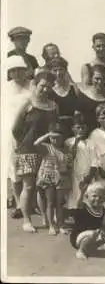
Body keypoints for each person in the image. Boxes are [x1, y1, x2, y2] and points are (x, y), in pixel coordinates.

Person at [12, 70, 58, 232]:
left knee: (44, 186)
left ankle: (47, 219)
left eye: (49, 87)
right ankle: (26, 220)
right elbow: (15, 128)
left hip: (46, 151)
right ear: (36, 84)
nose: (45, 89)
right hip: (27, 150)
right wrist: (25, 144)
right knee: (29, 186)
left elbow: (54, 129)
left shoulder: (53, 106)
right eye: (42, 86)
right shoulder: (28, 102)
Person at [4, 55, 32, 219]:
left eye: (20, 69)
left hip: (28, 129)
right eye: (13, 70)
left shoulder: (32, 85)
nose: (17, 73)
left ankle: (29, 203)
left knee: (29, 167)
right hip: (8, 130)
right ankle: (19, 204)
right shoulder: (5, 87)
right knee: (13, 167)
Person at [34, 123, 73, 235]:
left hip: (61, 177)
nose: (54, 140)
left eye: (57, 138)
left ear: (62, 138)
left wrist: (65, 175)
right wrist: (47, 135)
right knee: (50, 202)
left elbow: (69, 166)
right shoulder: (47, 147)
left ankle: (60, 224)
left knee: (59, 203)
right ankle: (51, 224)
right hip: (48, 178)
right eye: (52, 138)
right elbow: (36, 143)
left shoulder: (66, 150)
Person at [65, 114, 99, 211]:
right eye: (78, 127)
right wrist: (76, 141)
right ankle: (73, 216)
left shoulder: (91, 142)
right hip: (74, 175)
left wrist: (89, 177)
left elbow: (94, 161)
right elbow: (70, 157)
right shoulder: (69, 142)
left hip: (87, 175)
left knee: (87, 197)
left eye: (83, 127)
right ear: (73, 128)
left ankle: (86, 218)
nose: (81, 130)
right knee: (73, 197)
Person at [75, 64, 105, 131]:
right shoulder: (83, 96)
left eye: (103, 78)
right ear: (91, 78)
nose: (100, 82)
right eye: (97, 79)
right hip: (88, 136)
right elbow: (77, 120)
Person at [70, 183, 105, 260]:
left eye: (100, 197)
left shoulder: (102, 210)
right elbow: (78, 204)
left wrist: (103, 232)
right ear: (87, 197)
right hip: (77, 237)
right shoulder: (84, 207)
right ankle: (80, 251)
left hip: (91, 235)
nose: (97, 199)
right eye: (94, 196)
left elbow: (101, 225)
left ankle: (88, 247)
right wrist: (82, 192)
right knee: (93, 234)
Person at [47, 57, 79, 138]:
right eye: (55, 70)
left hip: (73, 128)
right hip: (57, 129)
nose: (58, 73)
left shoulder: (73, 88)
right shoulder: (49, 91)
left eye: (61, 69)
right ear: (50, 72)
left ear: (65, 70)